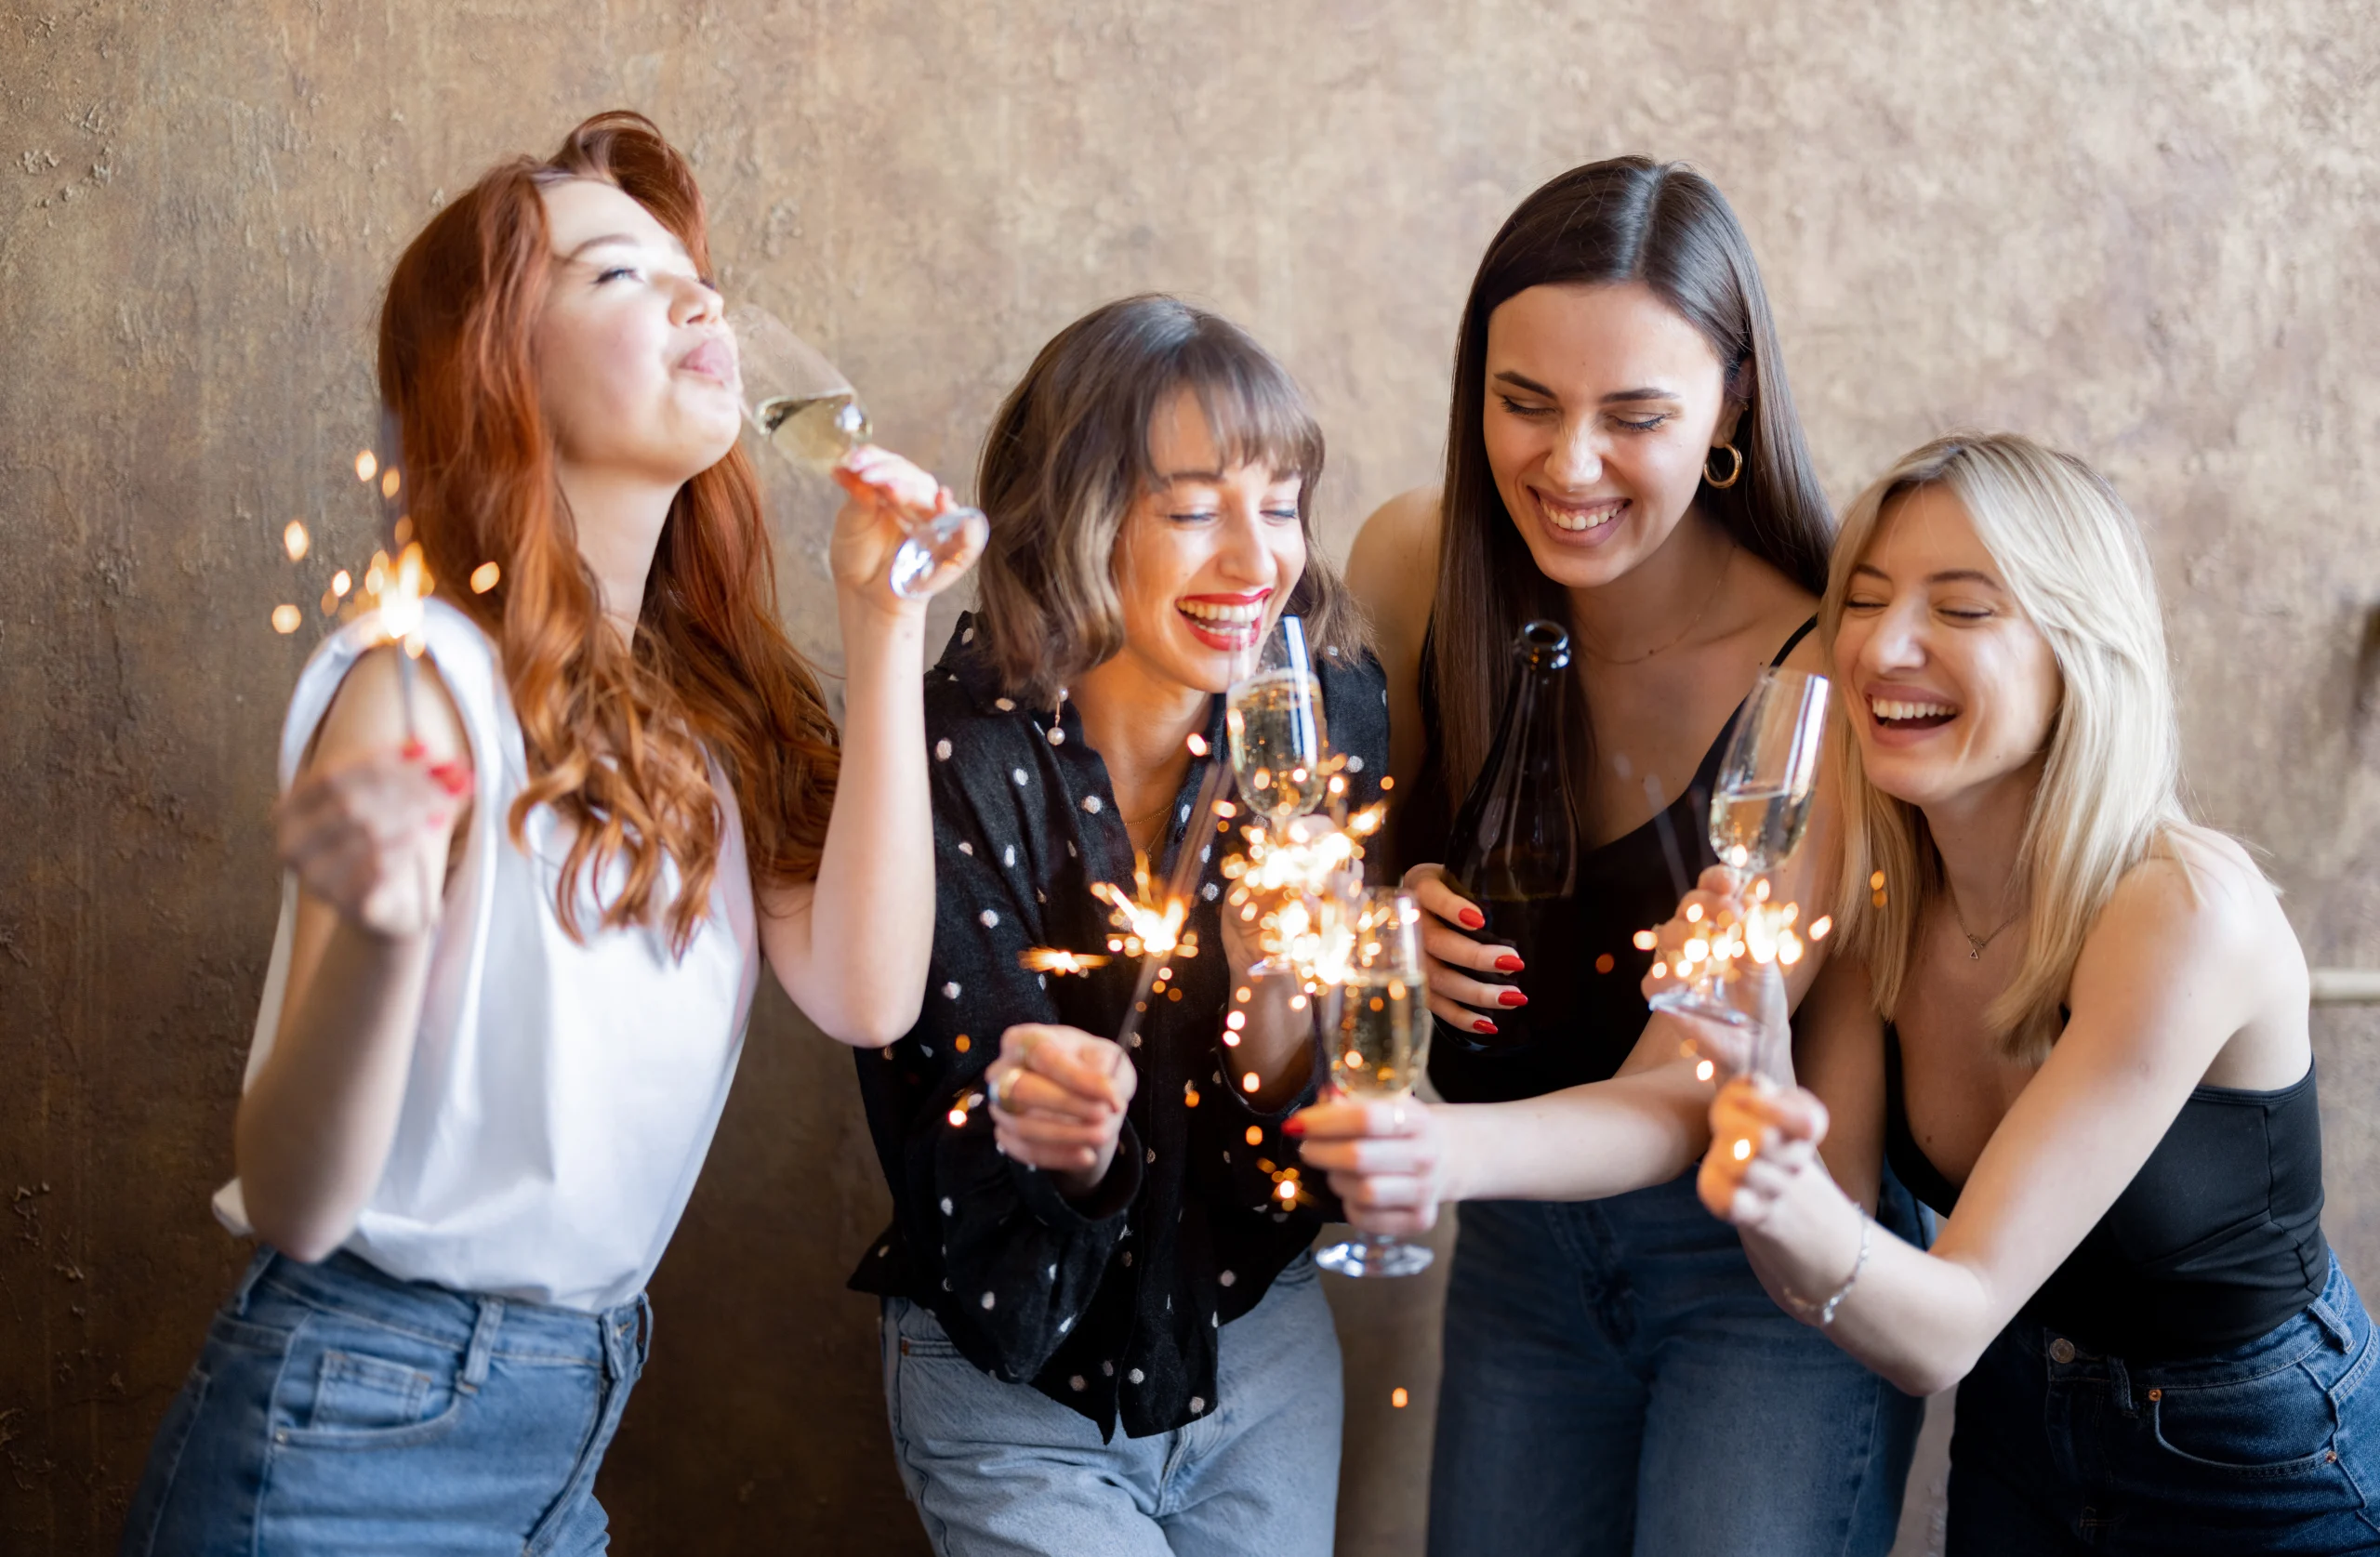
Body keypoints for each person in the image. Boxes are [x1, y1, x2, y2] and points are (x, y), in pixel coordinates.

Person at [118, 112, 979, 1556]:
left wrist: (885, 623)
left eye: (690, 274)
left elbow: (868, 988)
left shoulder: (710, 722)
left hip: (559, 1436)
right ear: (499, 370)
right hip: (352, 1427)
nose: (699, 300)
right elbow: (294, 1197)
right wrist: (382, 934)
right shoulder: (428, 672)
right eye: (612, 277)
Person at [1329, 157, 1920, 1555]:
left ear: (1732, 408)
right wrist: (1380, 925)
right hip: (1524, 1260)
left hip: (1758, 1276)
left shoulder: (1824, 669)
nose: (1567, 464)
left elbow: (1689, 1072)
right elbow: (1309, 862)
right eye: (1522, 402)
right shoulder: (1421, 560)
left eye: (1633, 417)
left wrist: (1438, 1146)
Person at [1694, 433, 2377, 1554]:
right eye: (1861, 602)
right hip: (2021, 1419)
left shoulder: (2183, 912)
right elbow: (1822, 1249)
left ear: (2081, 651)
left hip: (2255, 1455)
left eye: (1961, 611)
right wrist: (1750, 1045)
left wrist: (1776, 1190)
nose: (1882, 646)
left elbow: (1937, 1327)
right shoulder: (1887, 901)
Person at [852, 295, 1386, 1557]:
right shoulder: (952, 753)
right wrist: (1073, 1146)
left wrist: (1280, 1001)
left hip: (1259, 1345)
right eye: (1195, 508)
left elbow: (1300, 1114)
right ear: (1077, 523)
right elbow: (975, 1161)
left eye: (1283, 501)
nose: (1259, 562)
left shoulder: (1326, 701)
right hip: (1018, 1372)